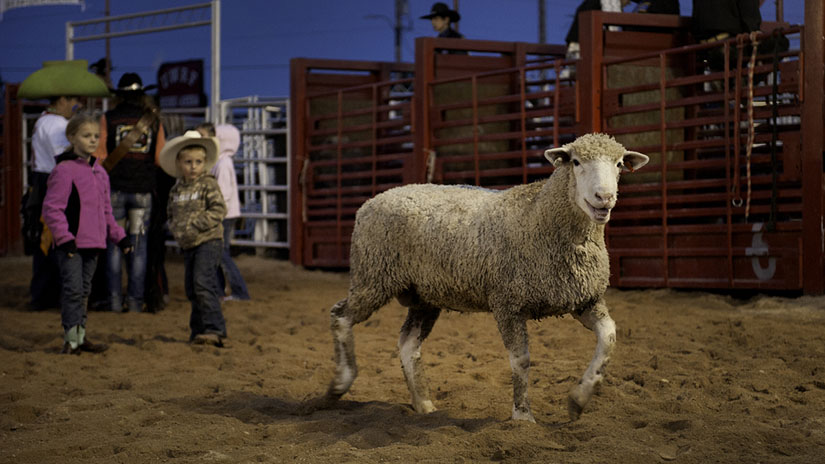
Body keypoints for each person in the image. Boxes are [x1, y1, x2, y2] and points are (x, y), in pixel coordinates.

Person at [42, 114, 132, 354]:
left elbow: (106, 210)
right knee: (73, 289)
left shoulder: (100, 172)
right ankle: (71, 339)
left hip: (94, 243)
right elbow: (52, 208)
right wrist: (64, 238)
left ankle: (80, 337)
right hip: (70, 244)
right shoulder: (63, 170)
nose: (93, 140)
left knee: (84, 291)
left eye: (95, 136)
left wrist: (119, 236)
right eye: (86, 136)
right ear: (72, 138)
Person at [94, 73, 166, 313]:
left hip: (113, 189)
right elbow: (160, 158)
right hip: (143, 190)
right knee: (139, 245)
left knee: (114, 244)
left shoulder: (108, 118)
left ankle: (114, 300)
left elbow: (101, 156)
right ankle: (135, 301)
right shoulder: (153, 121)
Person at [159, 130, 228, 347]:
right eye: (188, 162)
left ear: (205, 162)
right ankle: (198, 330)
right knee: (192, 287)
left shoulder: (208, 184)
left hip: (208, 240)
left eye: (198, 162)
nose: (193, 166)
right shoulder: (176, 189)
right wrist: (176, 227)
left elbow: (219, 209)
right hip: (189, 244)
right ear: (179, 163)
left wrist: (194, 225)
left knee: (202, 282)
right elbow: (171, 212)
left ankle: (214, 329)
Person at [25, 95, 81, 310]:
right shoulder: (57, 124)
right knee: (57, 236)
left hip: (43, 181)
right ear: (63, 100)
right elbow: (63, 157)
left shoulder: (43, 120)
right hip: (54, 182)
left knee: (47, 238)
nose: (77, 105)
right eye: (74, 100)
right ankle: (52, 293)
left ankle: (42, 293)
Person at [196, 122, 251, 301]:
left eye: (204, 136)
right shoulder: (218, 162)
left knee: (220, 252)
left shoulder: (223, 163)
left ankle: (239, 291)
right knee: (218, 252)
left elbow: (223, 194)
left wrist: (212, 212)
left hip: (222, 215)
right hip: (222, 213)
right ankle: (220, 290)